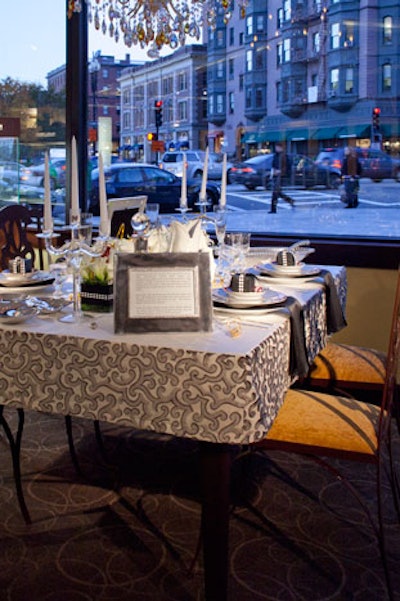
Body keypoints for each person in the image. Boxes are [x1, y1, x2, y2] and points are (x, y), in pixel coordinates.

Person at [268, 143, 295, 213]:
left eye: (278, 147)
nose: (277, 148)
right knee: (277, 193)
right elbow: (273, 165)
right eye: (276, 147)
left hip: (281, 176)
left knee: (275, 193)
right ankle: (289, 200)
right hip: (277, 176)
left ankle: (273, 209)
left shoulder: (284, 156)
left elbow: (287, 167)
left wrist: (280, 172)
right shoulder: (276, 156)